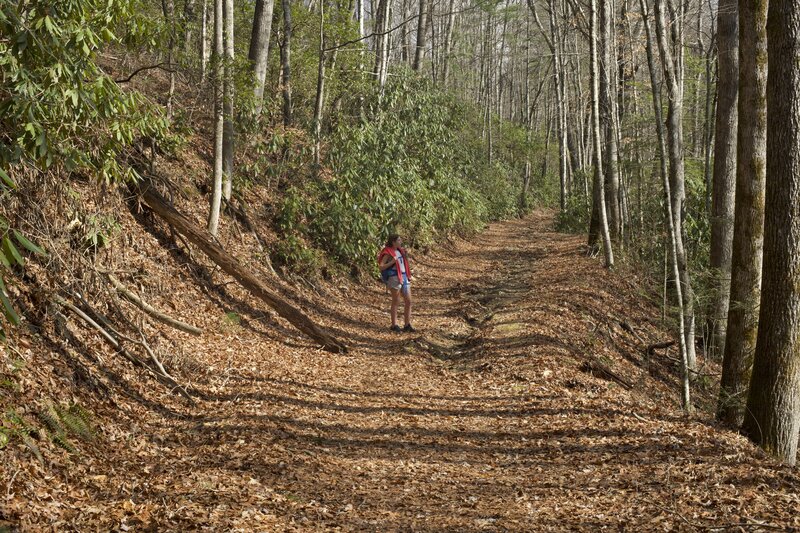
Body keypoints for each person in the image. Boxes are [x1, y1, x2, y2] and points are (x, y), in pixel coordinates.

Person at [378, 234, 415, 332]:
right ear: (393, 242)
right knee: (396, 300)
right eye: (399, 240)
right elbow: (381, 266)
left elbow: (404, 264)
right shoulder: (388, 252)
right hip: (394, 277)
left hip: (404, 276)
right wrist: (392, 262)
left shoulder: (400, 251)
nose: (401, 242)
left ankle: (407, 325)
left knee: (409, 301)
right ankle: (394, 325)